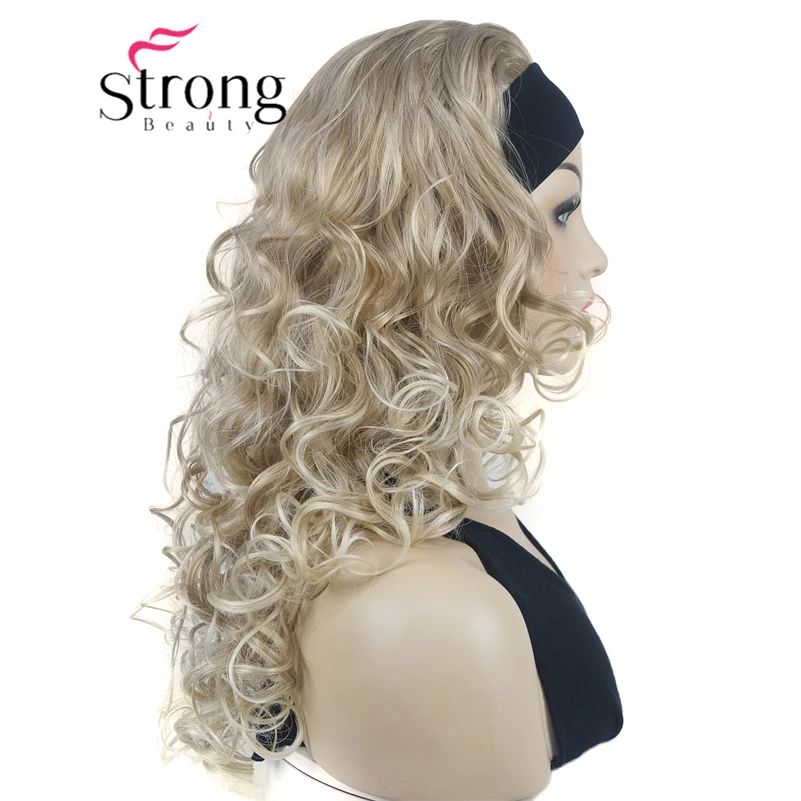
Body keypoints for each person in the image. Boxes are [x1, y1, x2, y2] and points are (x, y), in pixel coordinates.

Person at [142, 19, 622, 801]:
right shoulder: (428, 613)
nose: (594, 256)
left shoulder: (441, 489)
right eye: (562, 211)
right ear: (448, 246)